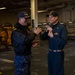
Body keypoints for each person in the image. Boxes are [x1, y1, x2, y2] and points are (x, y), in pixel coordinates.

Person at [41, 11, 67, 75]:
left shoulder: (62, 28)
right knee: (51, 71)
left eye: (51, 17)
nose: (49, 19)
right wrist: (46, 31)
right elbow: (43, 38)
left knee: (58, 71)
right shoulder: (50, 27)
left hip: (58, 54)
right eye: (49, 17)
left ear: (56, 18)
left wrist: (52, 37)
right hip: (50, 53)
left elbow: (63, 42)